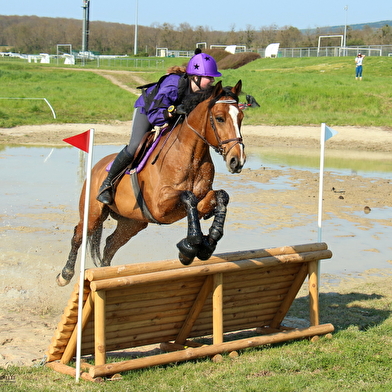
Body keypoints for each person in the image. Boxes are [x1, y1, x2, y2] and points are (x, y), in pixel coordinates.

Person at [96, 51, 222, 205]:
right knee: (135, 145)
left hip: (170, 113)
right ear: (195, 77)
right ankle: (107, 184)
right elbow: (154, 116)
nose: (212, 80)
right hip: (149, 110)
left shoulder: (202, 90)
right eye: (209, 77)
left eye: (213, 77)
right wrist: (174, 111)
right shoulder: (173, 84)